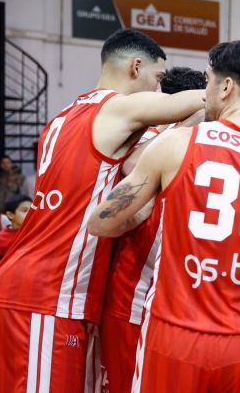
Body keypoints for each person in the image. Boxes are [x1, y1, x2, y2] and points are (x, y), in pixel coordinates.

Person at [87, 38, 240, 392]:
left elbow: (101, 221)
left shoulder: (177, 145)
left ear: (226, 86)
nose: (204, 92)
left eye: (207, 81)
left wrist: (156, 203)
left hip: (174, 335)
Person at [0, 28, 207, 393]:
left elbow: (142, 164)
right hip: (47, 294)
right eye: (157, 79)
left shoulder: (67, 115)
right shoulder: (114, 108)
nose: (157, 91)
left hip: (41, 290)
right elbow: (208, 99)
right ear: (136, 66)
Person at [98, 65, 208, 393]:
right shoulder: (150, 139)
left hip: (173, 309)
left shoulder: (202, 146)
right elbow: (132, 168)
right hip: (130, 300)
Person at [0, 195, 31, 279]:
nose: (30, 213)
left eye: (32, 210)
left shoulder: (35, 233)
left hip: (28, 280)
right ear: (10, 215)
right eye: (25, 210)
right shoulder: (0, 238)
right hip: (5, 281)